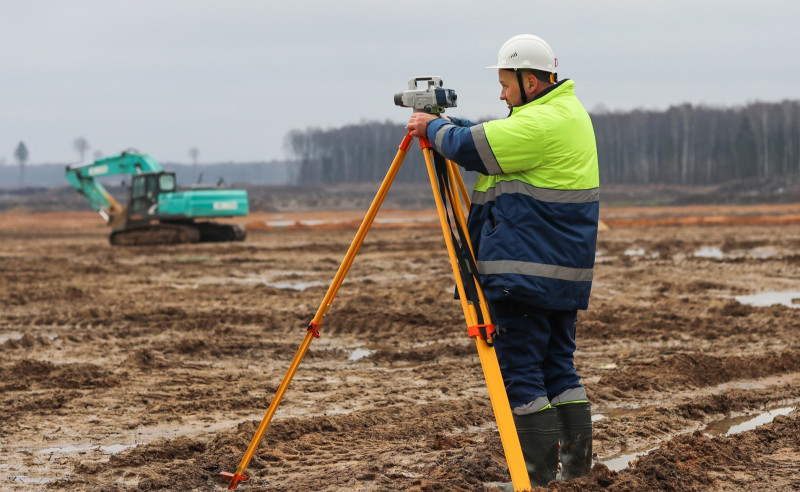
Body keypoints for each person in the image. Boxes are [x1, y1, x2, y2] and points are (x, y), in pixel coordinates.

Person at [407, 34, 598, 487]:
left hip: (523, 277)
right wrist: (452, 125)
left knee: (523, 376)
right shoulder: (567, 115)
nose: (501, 93)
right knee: (558, 369)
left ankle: (534, 479)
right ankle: (575, 475)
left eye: (505, 84)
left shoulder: (539, 125)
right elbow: (495, 140)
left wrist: (430, 128)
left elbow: (474, 148)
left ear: (530, 81)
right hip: (558, 277)